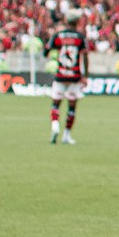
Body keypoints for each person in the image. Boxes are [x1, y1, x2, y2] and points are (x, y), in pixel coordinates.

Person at [47, 13, 89, 145]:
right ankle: (66, 135)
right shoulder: (80, 38)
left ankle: (55, 125)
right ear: (77, 22)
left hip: (60, 75)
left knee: (56, 104)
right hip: (74, 76)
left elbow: (46, 50)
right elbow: (86, 56)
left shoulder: (58, 36)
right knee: (71, 107)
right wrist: (85, 75)